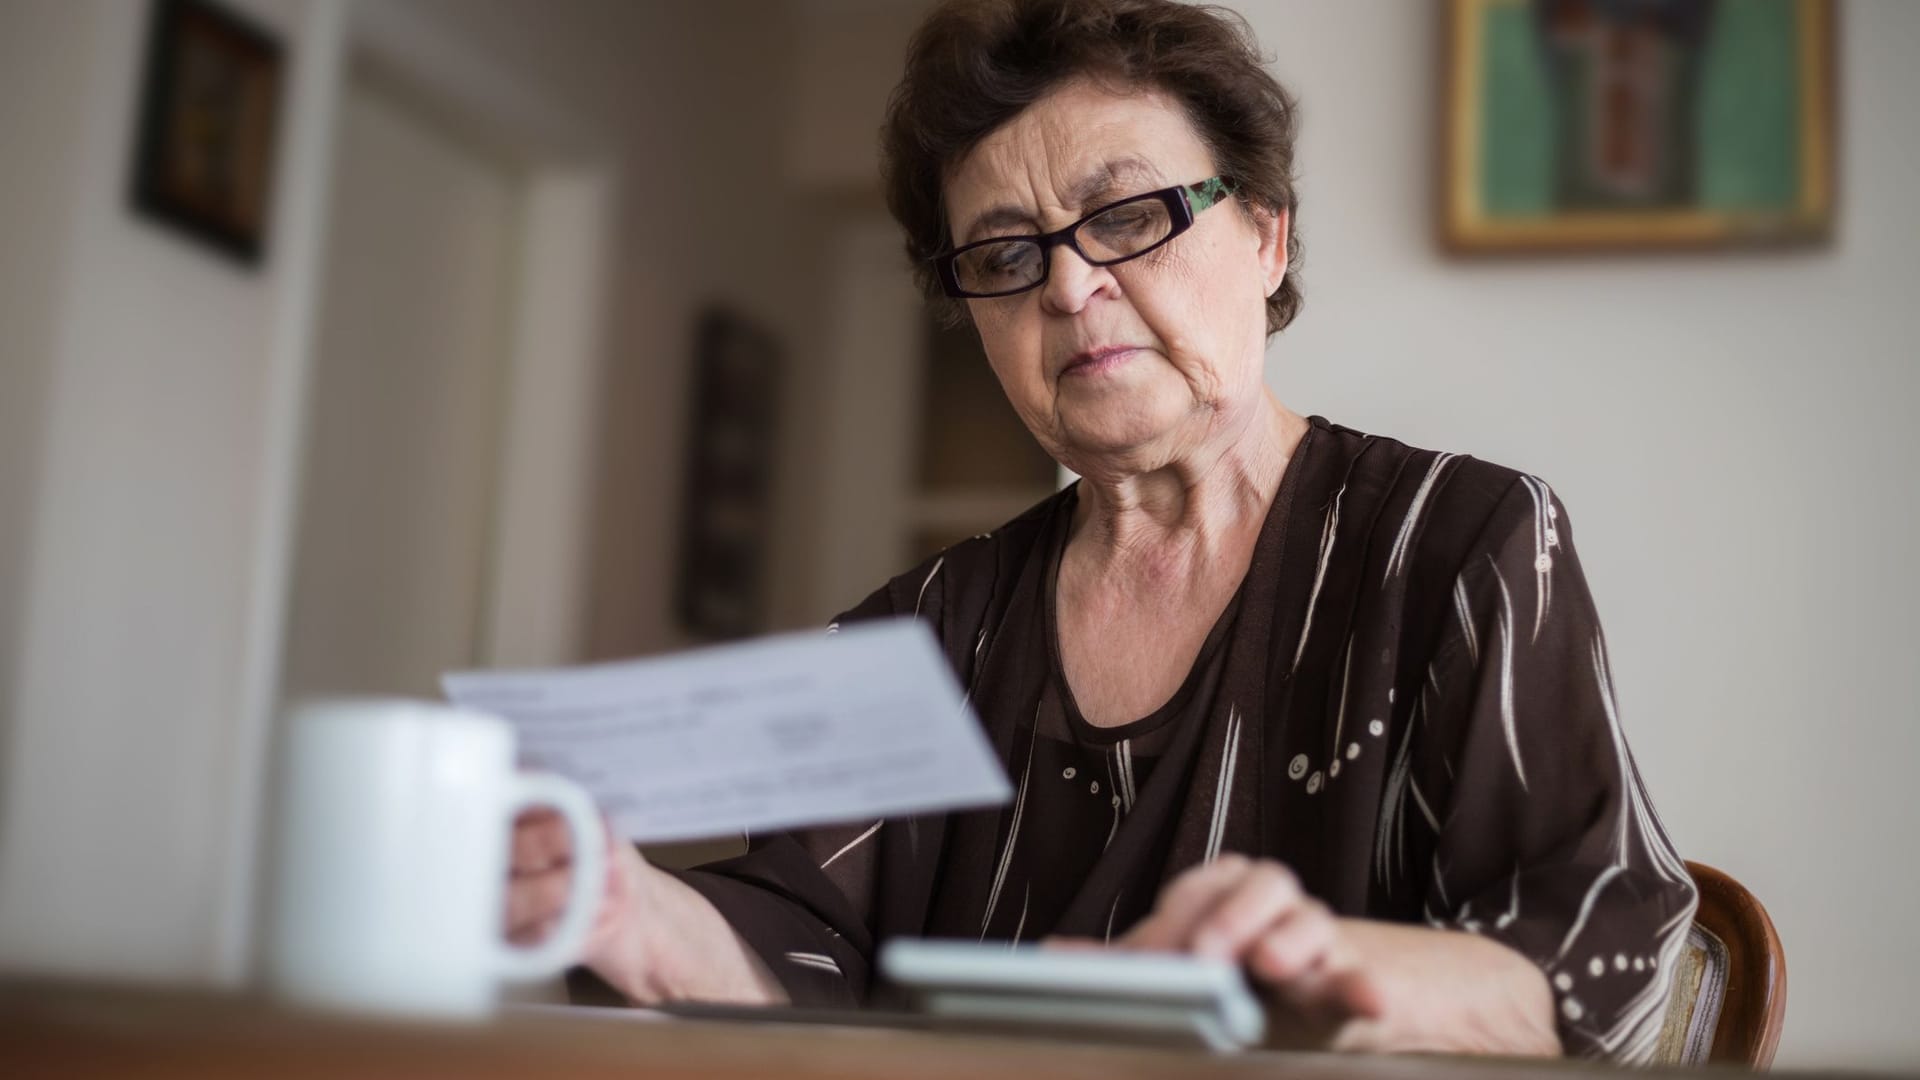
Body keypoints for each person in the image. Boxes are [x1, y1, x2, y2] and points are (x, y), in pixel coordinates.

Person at [506, 0, 1696, 1060]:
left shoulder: (1455, 543)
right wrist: (624, 909)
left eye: (1124, 215)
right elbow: (802, 958)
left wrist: (1326, 973)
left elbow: (1590, 947)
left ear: (1267, 233)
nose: (1068, 290)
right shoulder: (915, 634)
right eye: (1006, 254)